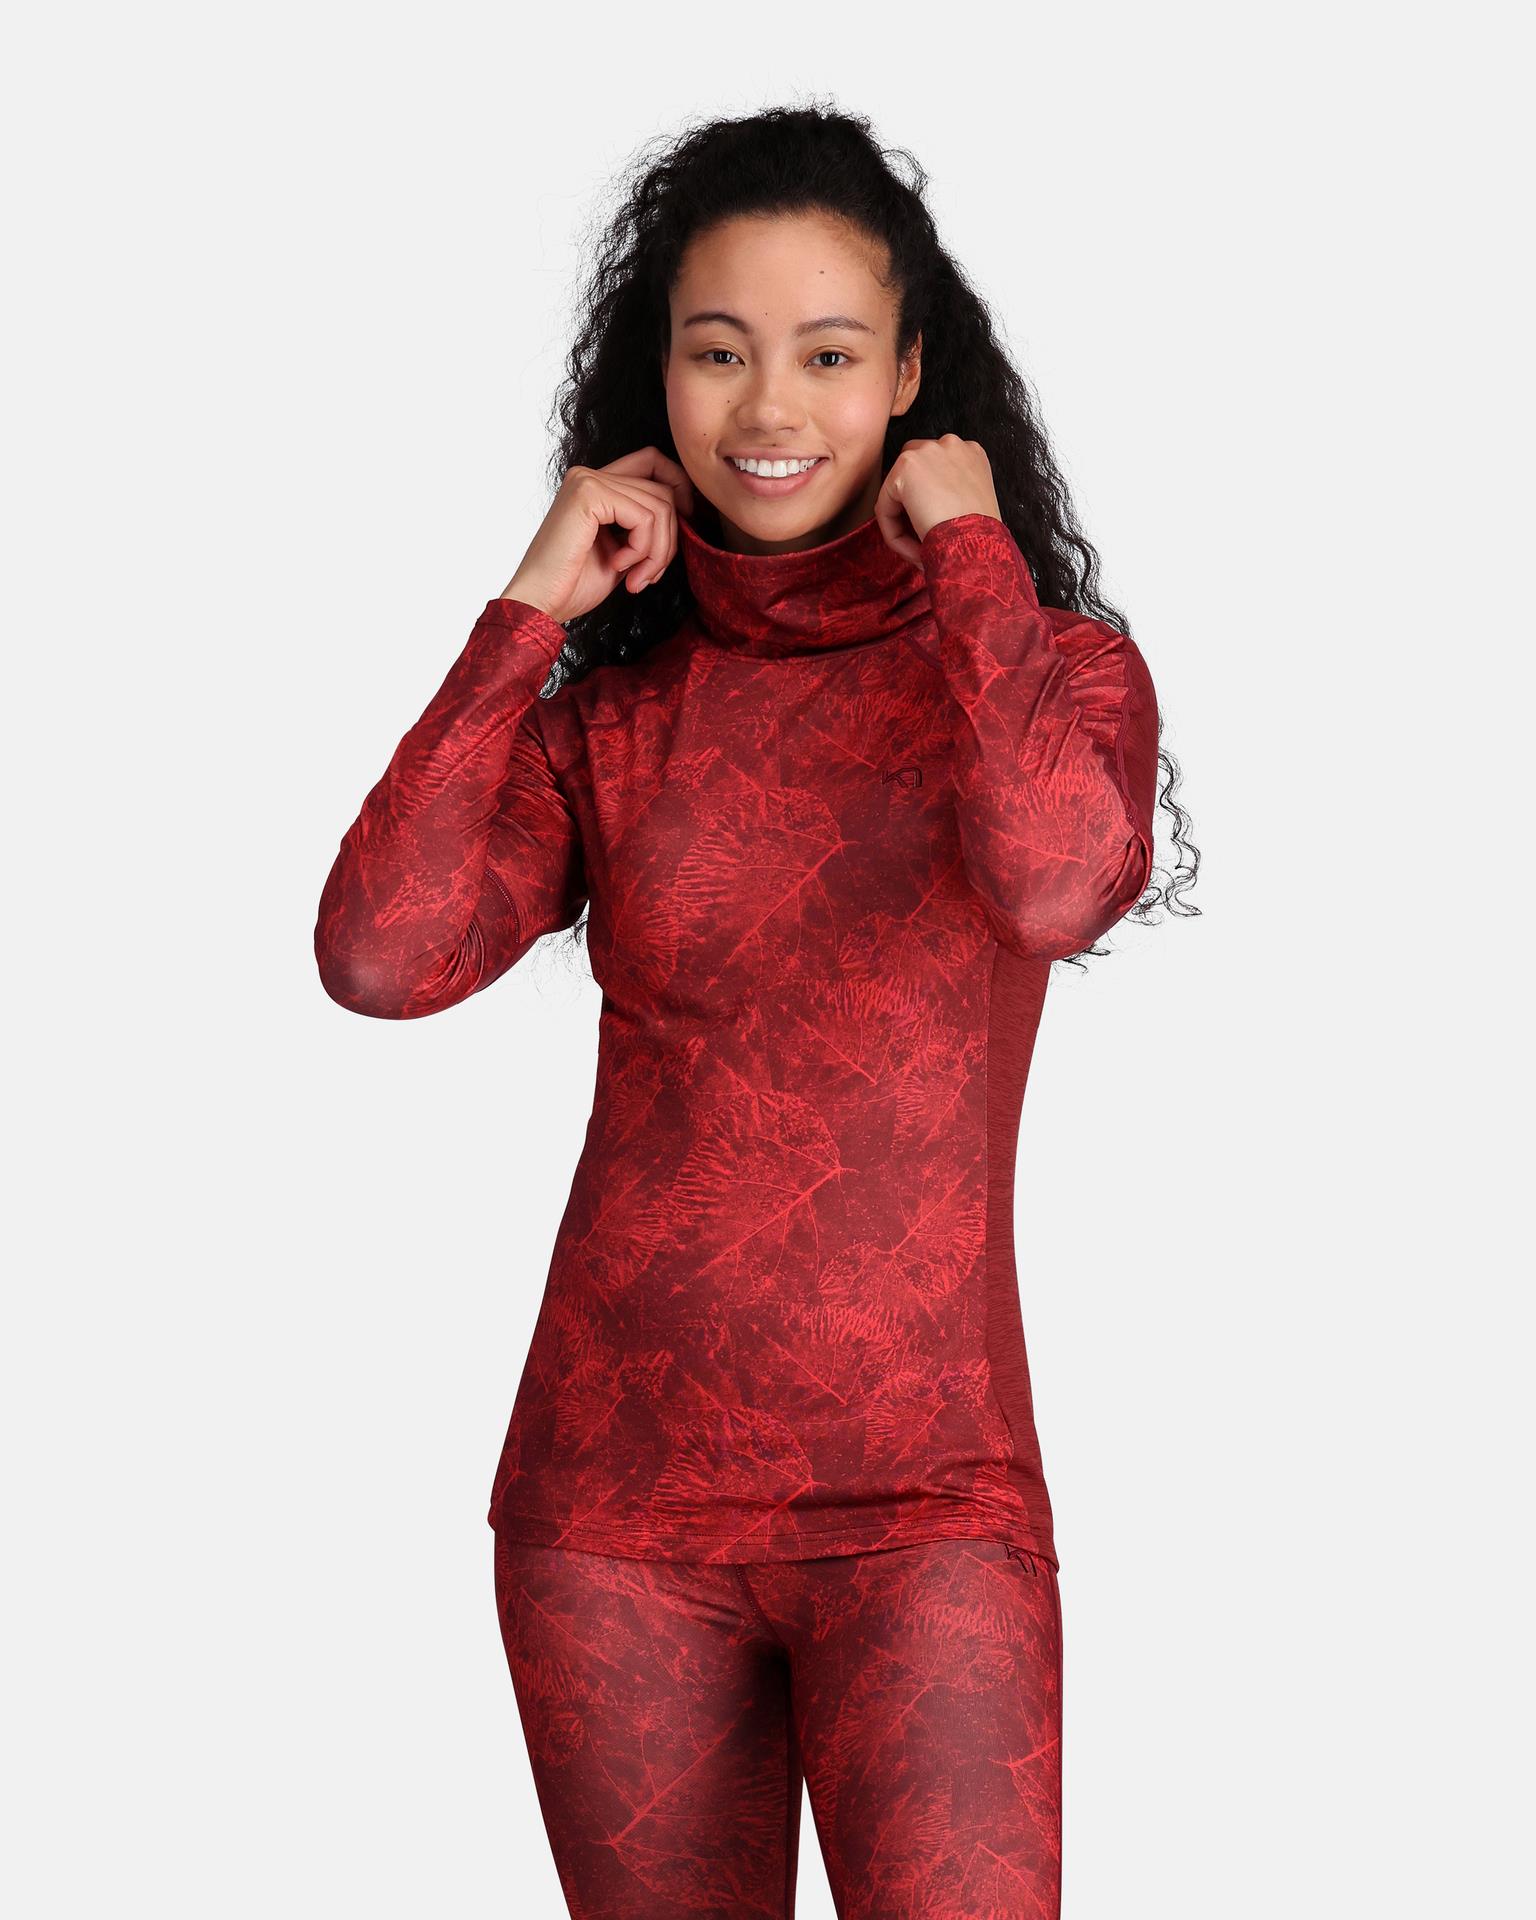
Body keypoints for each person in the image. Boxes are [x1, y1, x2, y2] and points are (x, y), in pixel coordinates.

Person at [314, 103, 1199, 1920]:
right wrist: (528, 611)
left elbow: (1053, 881)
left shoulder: (1050, 676)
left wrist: (973, 554)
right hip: (611, 1519)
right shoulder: (615, 724)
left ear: (913, 378)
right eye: (719, 352)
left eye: (828, 354)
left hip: (926, 1507)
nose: (770, 406)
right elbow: (381, 958)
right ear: (661, 374)